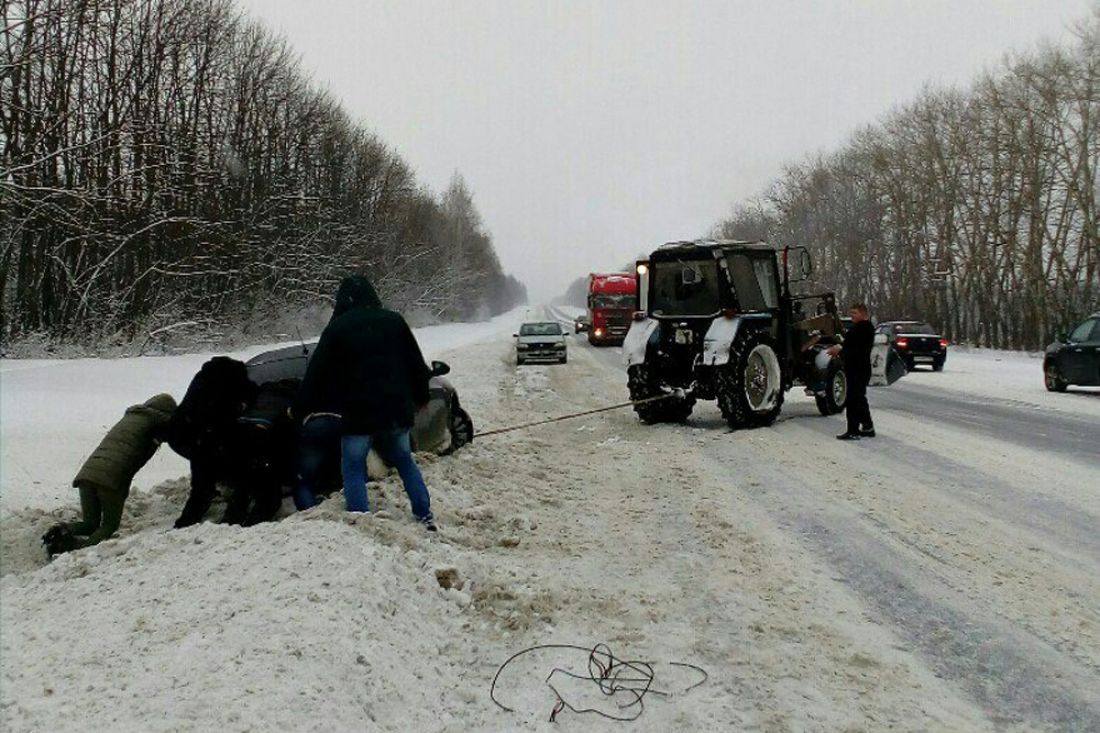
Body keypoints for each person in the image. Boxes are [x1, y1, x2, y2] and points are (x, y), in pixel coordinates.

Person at [293, 275, 437, 530]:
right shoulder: (394, 321)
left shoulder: (337, 328)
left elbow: (316, 373)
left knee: (353, 466)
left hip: (359, 415)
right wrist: (422, 397)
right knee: (405, 461)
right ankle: (424, 514)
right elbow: (415, 362)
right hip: (395, 412)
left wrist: (299, 408)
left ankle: (361, 520)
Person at [42, 394, 177, 556]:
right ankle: (78, 553)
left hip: (87, 473)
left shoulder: (132, 417)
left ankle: (61, 531)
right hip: (111, 478)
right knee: (109, 525)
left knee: (90, 523)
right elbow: (179, 432)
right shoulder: (158, 421)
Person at [828, 303, 876, 440]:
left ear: (863, 314)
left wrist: (841, 350)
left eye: (854, 313)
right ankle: (868, 426)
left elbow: (857, 350)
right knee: (859, 398)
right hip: (858, 368)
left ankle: (853, 430)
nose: (851, 316)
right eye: (851, 313)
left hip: (858, 368)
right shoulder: (860, 329)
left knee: (853, 399)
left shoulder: (863, 329)